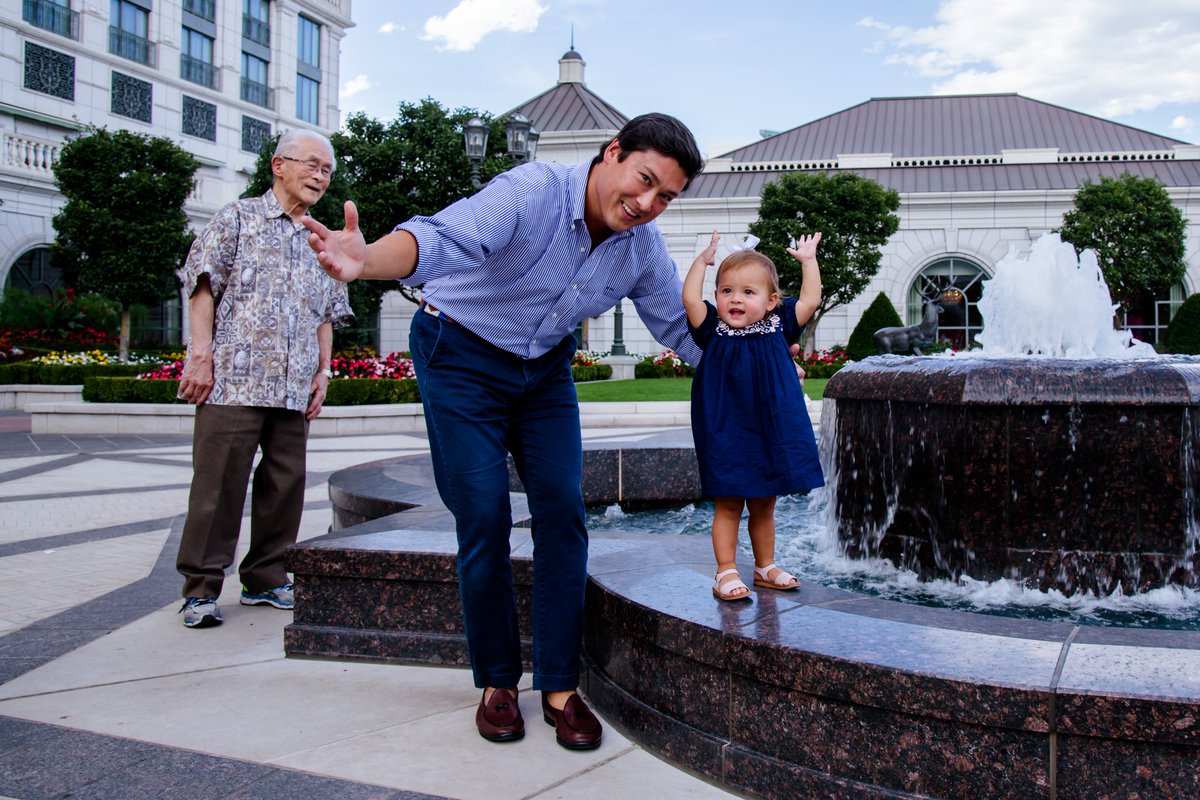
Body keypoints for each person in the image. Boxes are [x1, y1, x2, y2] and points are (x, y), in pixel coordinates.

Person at [302, 113, 704, 750]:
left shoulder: (641, 248)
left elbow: (680, 332)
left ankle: (559, 685)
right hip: (459, 352)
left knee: (564, 511)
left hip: (543, 371)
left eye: (666, 198)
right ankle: (496, 682)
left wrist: (754, 353)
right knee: (484, 513)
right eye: (645, 180)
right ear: (613, 153)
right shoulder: (533, 190)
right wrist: (367, 258)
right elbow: (439, 242)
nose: (647, 204)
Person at [174, 129, 353, 629]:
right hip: (234, 380)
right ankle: (201, 589)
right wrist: (200, 355)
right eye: (312, 165)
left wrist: (324, 371)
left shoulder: (322, 239)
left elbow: (326, 314)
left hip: (294, 386)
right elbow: (203, 285)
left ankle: (266, 579)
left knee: (285, 485)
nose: (320, 175)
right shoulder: (237, 218)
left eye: (327, 170)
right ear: (279, 165)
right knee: (218, 486)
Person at [682, 230, 826, 601]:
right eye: (727, 290)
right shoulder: (713, 329)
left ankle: (765, 565)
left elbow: (811, 299)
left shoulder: (780, 325)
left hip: (771, 427)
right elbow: (689, 300)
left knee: (765, 501)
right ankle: (725, 570)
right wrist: (702, 261)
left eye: (749, 292)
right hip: (725, 428)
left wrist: (808, 262)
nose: (736, 299)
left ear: (772, 300)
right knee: (729, 502)